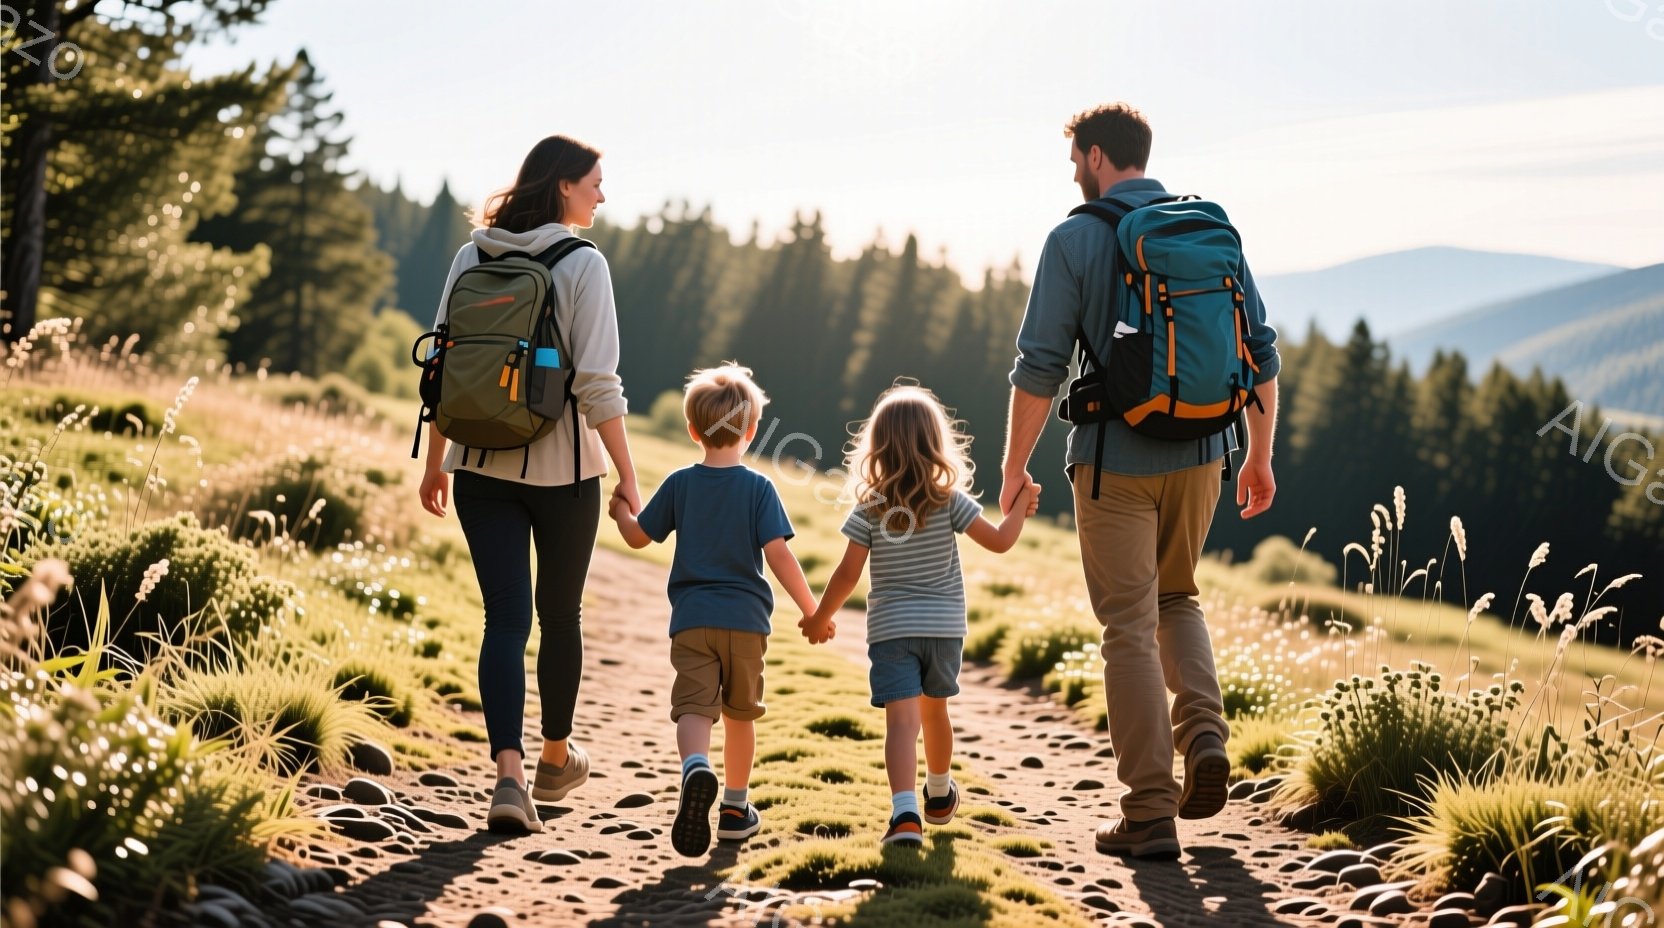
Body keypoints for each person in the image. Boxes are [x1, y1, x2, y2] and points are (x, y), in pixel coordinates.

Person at [999, 103, 1282, 859]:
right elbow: (1260, 351)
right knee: (1177, 597)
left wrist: (1013, 465)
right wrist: (1258, 456)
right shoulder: (1208, 229)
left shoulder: (1073, 239)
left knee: (1127, 625)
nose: (1074, 174)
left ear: (1096, 156)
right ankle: (1205, 736)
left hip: (1113, 461)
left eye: (1075, 161)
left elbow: (1039, 367)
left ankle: (1151, 813)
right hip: (1207, 452)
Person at [418, 134, 641, 834]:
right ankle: (554, 758)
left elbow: (443, 367)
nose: (602, 195)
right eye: (595, 183)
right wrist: (627, 475)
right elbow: (598, 383)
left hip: (478, 466)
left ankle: (508, 778)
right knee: (560, 616)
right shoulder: (583, 263)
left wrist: (436, 462)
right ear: (564, 185)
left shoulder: (472, 255)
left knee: (504, 620)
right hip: (564, 472)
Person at [801, 384, 1039, 846]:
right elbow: (999, 541)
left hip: (892, 631)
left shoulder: (871, 506)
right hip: (943, 631)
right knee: (935, 714)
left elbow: (848, 573)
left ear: (877, 445)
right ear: (935, 441)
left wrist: (819, 617)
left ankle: (905, 814)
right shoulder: (949, 499)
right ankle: (939, 792)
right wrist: (1021, 510)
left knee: (901, 723)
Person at [608, 363, 819, 857]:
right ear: (751, 430)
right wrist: (812, 610)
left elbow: (638, 537)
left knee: (694, 708)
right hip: (746, 623)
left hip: (692, 621)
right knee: (741, 715)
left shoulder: (680, 483)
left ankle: (694, 768)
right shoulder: (760, 488)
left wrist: (620, 512)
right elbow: (779, 555)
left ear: (692, 429)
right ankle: (734, 810)